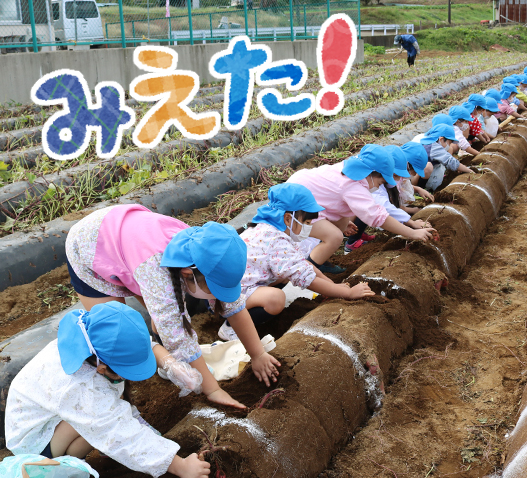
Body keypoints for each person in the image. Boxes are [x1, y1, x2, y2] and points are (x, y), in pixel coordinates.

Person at [65, 204, 280, 408]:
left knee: (162, 317)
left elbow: (232, 306)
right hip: (89, 248)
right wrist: (213, 390)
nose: (219, 297)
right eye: (215, 290)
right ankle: (120, 404)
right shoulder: (155, 271)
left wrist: (257, 354)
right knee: (115, 338)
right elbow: (177, 335)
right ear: (188, 274)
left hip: (126, 238)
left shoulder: (200, 250)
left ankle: (167, 363)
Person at [4, 302, 210, 478]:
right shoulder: (81, 388)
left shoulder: (90, 337)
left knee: (106, 407)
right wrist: (182, 467)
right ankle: (65, 461)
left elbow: (136, 341)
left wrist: (172, 364)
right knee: (99, 428)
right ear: (102, 368)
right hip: (34, 441)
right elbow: (118, 433)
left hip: (49, 412)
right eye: (124, 372)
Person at [217, 183, 375, 337]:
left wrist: (333, 287)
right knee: (276, 300)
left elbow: (305, 267)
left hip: (238, 286)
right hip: (225, 297)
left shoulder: (275, 231)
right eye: (306, 223)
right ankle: (232, 327)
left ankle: (242, 314)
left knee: (285, 276)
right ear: (287, 218)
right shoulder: (274, 240)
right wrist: (347, 293)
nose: (308, 227)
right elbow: (308, 280)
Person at [287, 144, 434, 273]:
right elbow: (377, 217)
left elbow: (335, 201)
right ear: (370, 174)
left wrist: (343, 224)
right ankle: (308, 272)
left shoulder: (351, 170)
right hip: (296, 201)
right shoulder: (352, 185)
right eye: (380, 181)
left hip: (303, 192)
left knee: (341, 224)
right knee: (334, 236)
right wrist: (412, 233)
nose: (378, 186)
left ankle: (320, 258)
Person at [345, 146, 431, 253]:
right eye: (395, 175)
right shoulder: (371, 184)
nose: (398, 179)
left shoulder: (374, 178)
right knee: (364, 210)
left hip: (343, 210)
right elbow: (382, 208)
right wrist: (411, 224)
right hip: (325, 217)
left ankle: (356, 232)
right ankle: (351, 244)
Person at [412, 123, 473, 191]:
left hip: (414, 174)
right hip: (413, 177)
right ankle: (422, 189)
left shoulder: (428, 141)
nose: (449, 145)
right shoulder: (434, 147)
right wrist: (470, 171)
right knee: (430, 167)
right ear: (441, 139)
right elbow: (451, 161)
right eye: (449, 142)